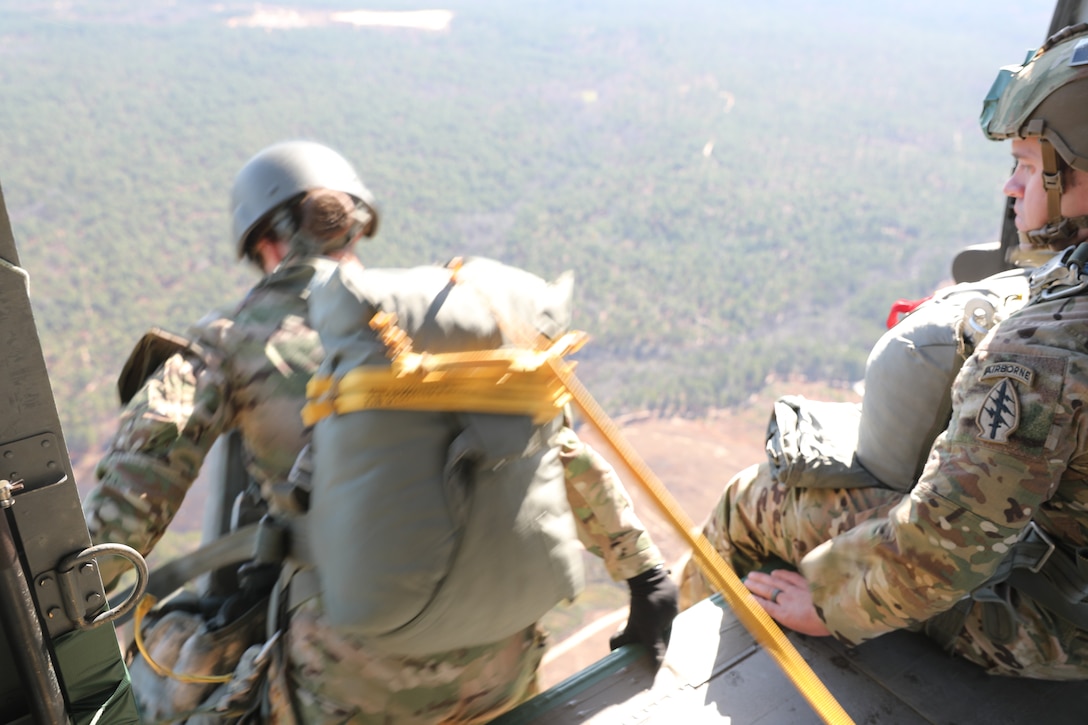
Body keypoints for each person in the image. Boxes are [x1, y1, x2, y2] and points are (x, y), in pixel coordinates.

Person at [82, 139, 677, 723]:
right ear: (357, 228)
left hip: (350, 682)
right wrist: (644, 572)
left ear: (263, 242)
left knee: (164, 667)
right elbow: (558, 451)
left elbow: (128, 508)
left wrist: (54, 622)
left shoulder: (229, 342)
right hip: (502, 663)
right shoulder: (445, 318)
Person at [680, 23, 1088, 680]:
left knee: (755, 499)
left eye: (1025, 163)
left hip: (1058, 622)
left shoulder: (1042, 351)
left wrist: (834, 599)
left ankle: (671, 676)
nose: (1011, 188)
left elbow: (946, 544)